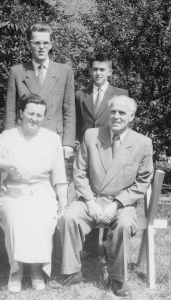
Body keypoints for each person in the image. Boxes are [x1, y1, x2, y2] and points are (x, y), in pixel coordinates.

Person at [54, 96, 154, 297]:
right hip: (91, 198)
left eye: (122, 113)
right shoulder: (92, 135)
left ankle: (117, 277)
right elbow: (79, 172)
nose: (116, 116)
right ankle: (72, 272)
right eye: (113, 111)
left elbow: (143, 181)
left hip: (122, 203)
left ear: (132, 117)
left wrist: (116, 205)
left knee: (125, 224)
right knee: (69, 217)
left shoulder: (143, 143)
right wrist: (90, 202)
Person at [0, 94, 68, 293]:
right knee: (17, 218)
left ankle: (36, 269)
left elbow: (60, 177)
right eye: (30, 113)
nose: (34, 118)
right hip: (13, 192)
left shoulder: (51, 139)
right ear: (21, 113)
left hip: (43, 192)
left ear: (44, 117)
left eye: (39, 115)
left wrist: (63, 203)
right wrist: (12, 163)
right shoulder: (9, 136)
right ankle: (16, 270)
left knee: (43, 219)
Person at [75, 52, 129, 259]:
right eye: (95, 69)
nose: (98, 73)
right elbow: (80, 123)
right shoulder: (81, 94)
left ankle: (109, 245)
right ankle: (88, 247)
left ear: (110, 72)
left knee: (109, 192)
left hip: (112, 149)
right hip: (89, 151)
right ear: (90, 71)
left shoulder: (120, 92)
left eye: (102, 69)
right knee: (90, 193)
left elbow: (123, 120)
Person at [5, 22, 75, 159]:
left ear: (51, 45)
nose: (42, 47)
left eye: (45, 43)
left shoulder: (64, 71)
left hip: (54, 139)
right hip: (24, 138)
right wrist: (8, 140)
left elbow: (69, 110)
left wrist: (68, 143)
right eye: (37, 43)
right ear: (28, 45)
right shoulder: (17, 72)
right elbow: (10, 111)